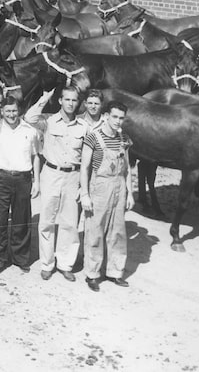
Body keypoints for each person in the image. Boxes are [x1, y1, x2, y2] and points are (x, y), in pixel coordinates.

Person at [25, 87, 90, 282]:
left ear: (78, 103)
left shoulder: (83, 126)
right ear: (60, 101)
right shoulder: (48, 121)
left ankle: (65, 263)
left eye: (74, 100)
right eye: (67, 99)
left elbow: (88, 155)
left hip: (73, 176)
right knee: (47, 220)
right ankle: (47, 263)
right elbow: (29, 118)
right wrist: (44, 99)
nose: (70, 103)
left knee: (70, 222)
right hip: (51, 174)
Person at [0, 96, 40, 275]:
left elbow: (36, 156)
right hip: (0, 178)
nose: (11, 114)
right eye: (8, 111)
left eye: (14, 111)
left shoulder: (30, 130)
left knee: (21, 219)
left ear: (19, 111)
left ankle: (21, 258)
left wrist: (36, 181)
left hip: (23, 178)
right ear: (2, 112)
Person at [80, 101, 134, 292]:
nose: (118, 121)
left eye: (121, 118)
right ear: (105, 116)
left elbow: (126, 169)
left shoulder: (124, 139)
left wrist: (130, 193)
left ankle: (115, 272)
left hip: (119, 185)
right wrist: (84, 194)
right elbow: (84, 168)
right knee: (95, 230)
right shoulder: (93, 137)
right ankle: (93, 274)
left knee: (117, 231)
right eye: (115, 117)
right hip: (100, 186)